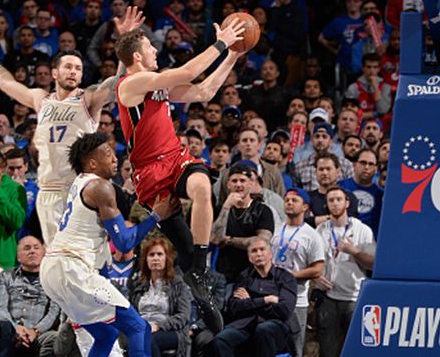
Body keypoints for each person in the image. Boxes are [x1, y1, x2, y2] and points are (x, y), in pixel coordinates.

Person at [0, 7, 145, 249]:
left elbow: (116, 85)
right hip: (47, 189)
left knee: (84, 256)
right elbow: (7, 82)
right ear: (54, 72)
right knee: (56, 258)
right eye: (68, 66)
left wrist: (125, 43)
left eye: (78, 69)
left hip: (80, 187)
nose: (73, 72)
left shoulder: (88, 98)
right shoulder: (41, 99)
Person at [114, 18, 245, 327]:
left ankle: (200, 267)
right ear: (136, 57)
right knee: (183, 249)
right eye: (149, 46)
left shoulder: (156, 84)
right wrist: (221, 42)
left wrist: (233, 55)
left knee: (201, 186)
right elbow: (188, 72)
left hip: (175, 157)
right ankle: (199, 283)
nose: (155, 49)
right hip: (149, 171)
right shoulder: (131, 84)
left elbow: (204, 90)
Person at [40, 132, 177, 357]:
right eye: (108, 154)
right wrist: (155, 216)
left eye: (114, 152)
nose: (115, 159)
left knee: (106, 335)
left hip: (54, 270)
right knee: (139, 328)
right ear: (92, 162)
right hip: (71, 268)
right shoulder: (101, 187)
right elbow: (124, 243)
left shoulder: (79, 183)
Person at [314, 186, 375, 357]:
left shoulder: (363, 230)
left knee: (355, 350)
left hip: (354, 298)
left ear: (347, 202)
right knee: (327, 351)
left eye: (338, 199)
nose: (335, 203)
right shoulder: (320, 231)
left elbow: (372, 264)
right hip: (328, 297)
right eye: (331, 200)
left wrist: (354, 251)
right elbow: (311, 263)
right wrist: (316, 278)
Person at [212, 237, 298, 357]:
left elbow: (284, 310)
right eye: (254, 251)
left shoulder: (285, 278)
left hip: (274, 326)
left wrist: (249, 302)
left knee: (263, 330)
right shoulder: (244, 277)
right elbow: (234, 307)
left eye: (262, 249)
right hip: (246, 325)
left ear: (270, 253)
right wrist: (265, 300)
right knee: (221, 340)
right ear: (249, 257)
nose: (259, 254)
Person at [271, 189, 325, 354]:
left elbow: (317, 270)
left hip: (297, 299)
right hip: (271, 296)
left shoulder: (311, 235)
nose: (289, 203)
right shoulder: (276, 228)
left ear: (305, 207)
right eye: (287, 199)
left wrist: (289, 276)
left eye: (295, 200)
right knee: (271, 342)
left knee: (295, 345)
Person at [0, 236, 62, 356]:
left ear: (44, 253)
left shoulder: (53, 279)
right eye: (27, 248)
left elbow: (54, 311)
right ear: (18, 256)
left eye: (36, 248)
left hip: (39, 334)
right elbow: (0, 308)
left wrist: (35, 331)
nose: (32, 251)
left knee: (55, 338)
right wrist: (15, 328)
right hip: (10, 330)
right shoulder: (6, 276)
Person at [211, 162, 275, 284]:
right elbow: (215, 239)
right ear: (228, 184)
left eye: (243, 181)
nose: (238, 185)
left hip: (254, 275)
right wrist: (226, 207)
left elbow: (260, 242)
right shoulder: (220, 209)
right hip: (225, 275)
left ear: (251, 184)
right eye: (234, 181)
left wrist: (229, 240)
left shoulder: (263, 210)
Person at [129, 237, 192, 357]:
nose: (155, 258)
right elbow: (132, 312)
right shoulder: (138, 285)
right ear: (146, 260)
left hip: (170, 331)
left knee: (148, 340)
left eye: (159, 254)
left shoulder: (178, 284)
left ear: (167, 258)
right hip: (142, 329)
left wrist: (158, 326)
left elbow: (183, 316)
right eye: (151, 255)